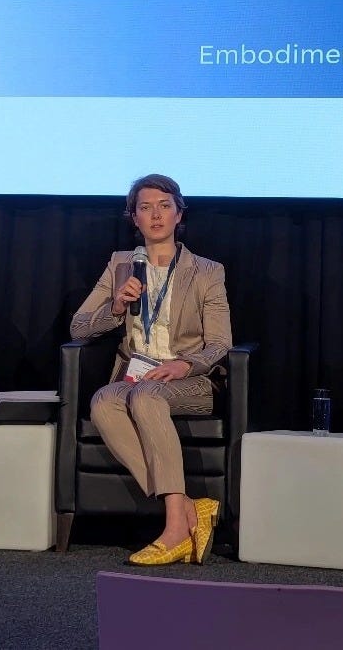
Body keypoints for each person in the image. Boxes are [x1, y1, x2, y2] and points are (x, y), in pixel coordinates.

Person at [70, 174, 232, 565]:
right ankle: (186, 510)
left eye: (164, 206)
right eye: (145, 207)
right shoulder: (121, 265)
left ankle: (176, 528)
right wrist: (115, 308)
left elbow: (221, 342)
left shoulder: (207, 270)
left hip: (189, 380)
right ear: (134, 219)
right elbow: (78, 326)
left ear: (179, 215)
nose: (155, 214)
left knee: (146, 394)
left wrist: (185, 364)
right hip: (135, 377)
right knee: (104, 400)